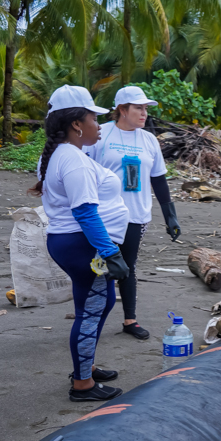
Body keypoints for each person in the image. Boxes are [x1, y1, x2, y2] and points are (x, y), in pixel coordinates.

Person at [30, 86, 131, 402]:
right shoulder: (73, 160)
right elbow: (85, 213)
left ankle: (85, 366)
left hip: (71, 243)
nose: (98, 125)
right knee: (92, 309)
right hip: (81, 245)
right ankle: (82, 384)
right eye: (93, 118)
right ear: (76, 124)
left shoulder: (64, 155)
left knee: (96, 305)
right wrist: (111, 252)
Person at [84, 85, 180, 340]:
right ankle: (92, 321)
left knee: (128, 266)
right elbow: (84, 171)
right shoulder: (101, 134)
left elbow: (158, 179)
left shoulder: (148, 140)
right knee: (100, 268)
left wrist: (170, 215)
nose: (144, 113)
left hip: (136, 215)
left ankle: (130, 320)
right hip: (103, 215)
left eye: (146, 108)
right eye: (138, 108)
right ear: (121, 109)